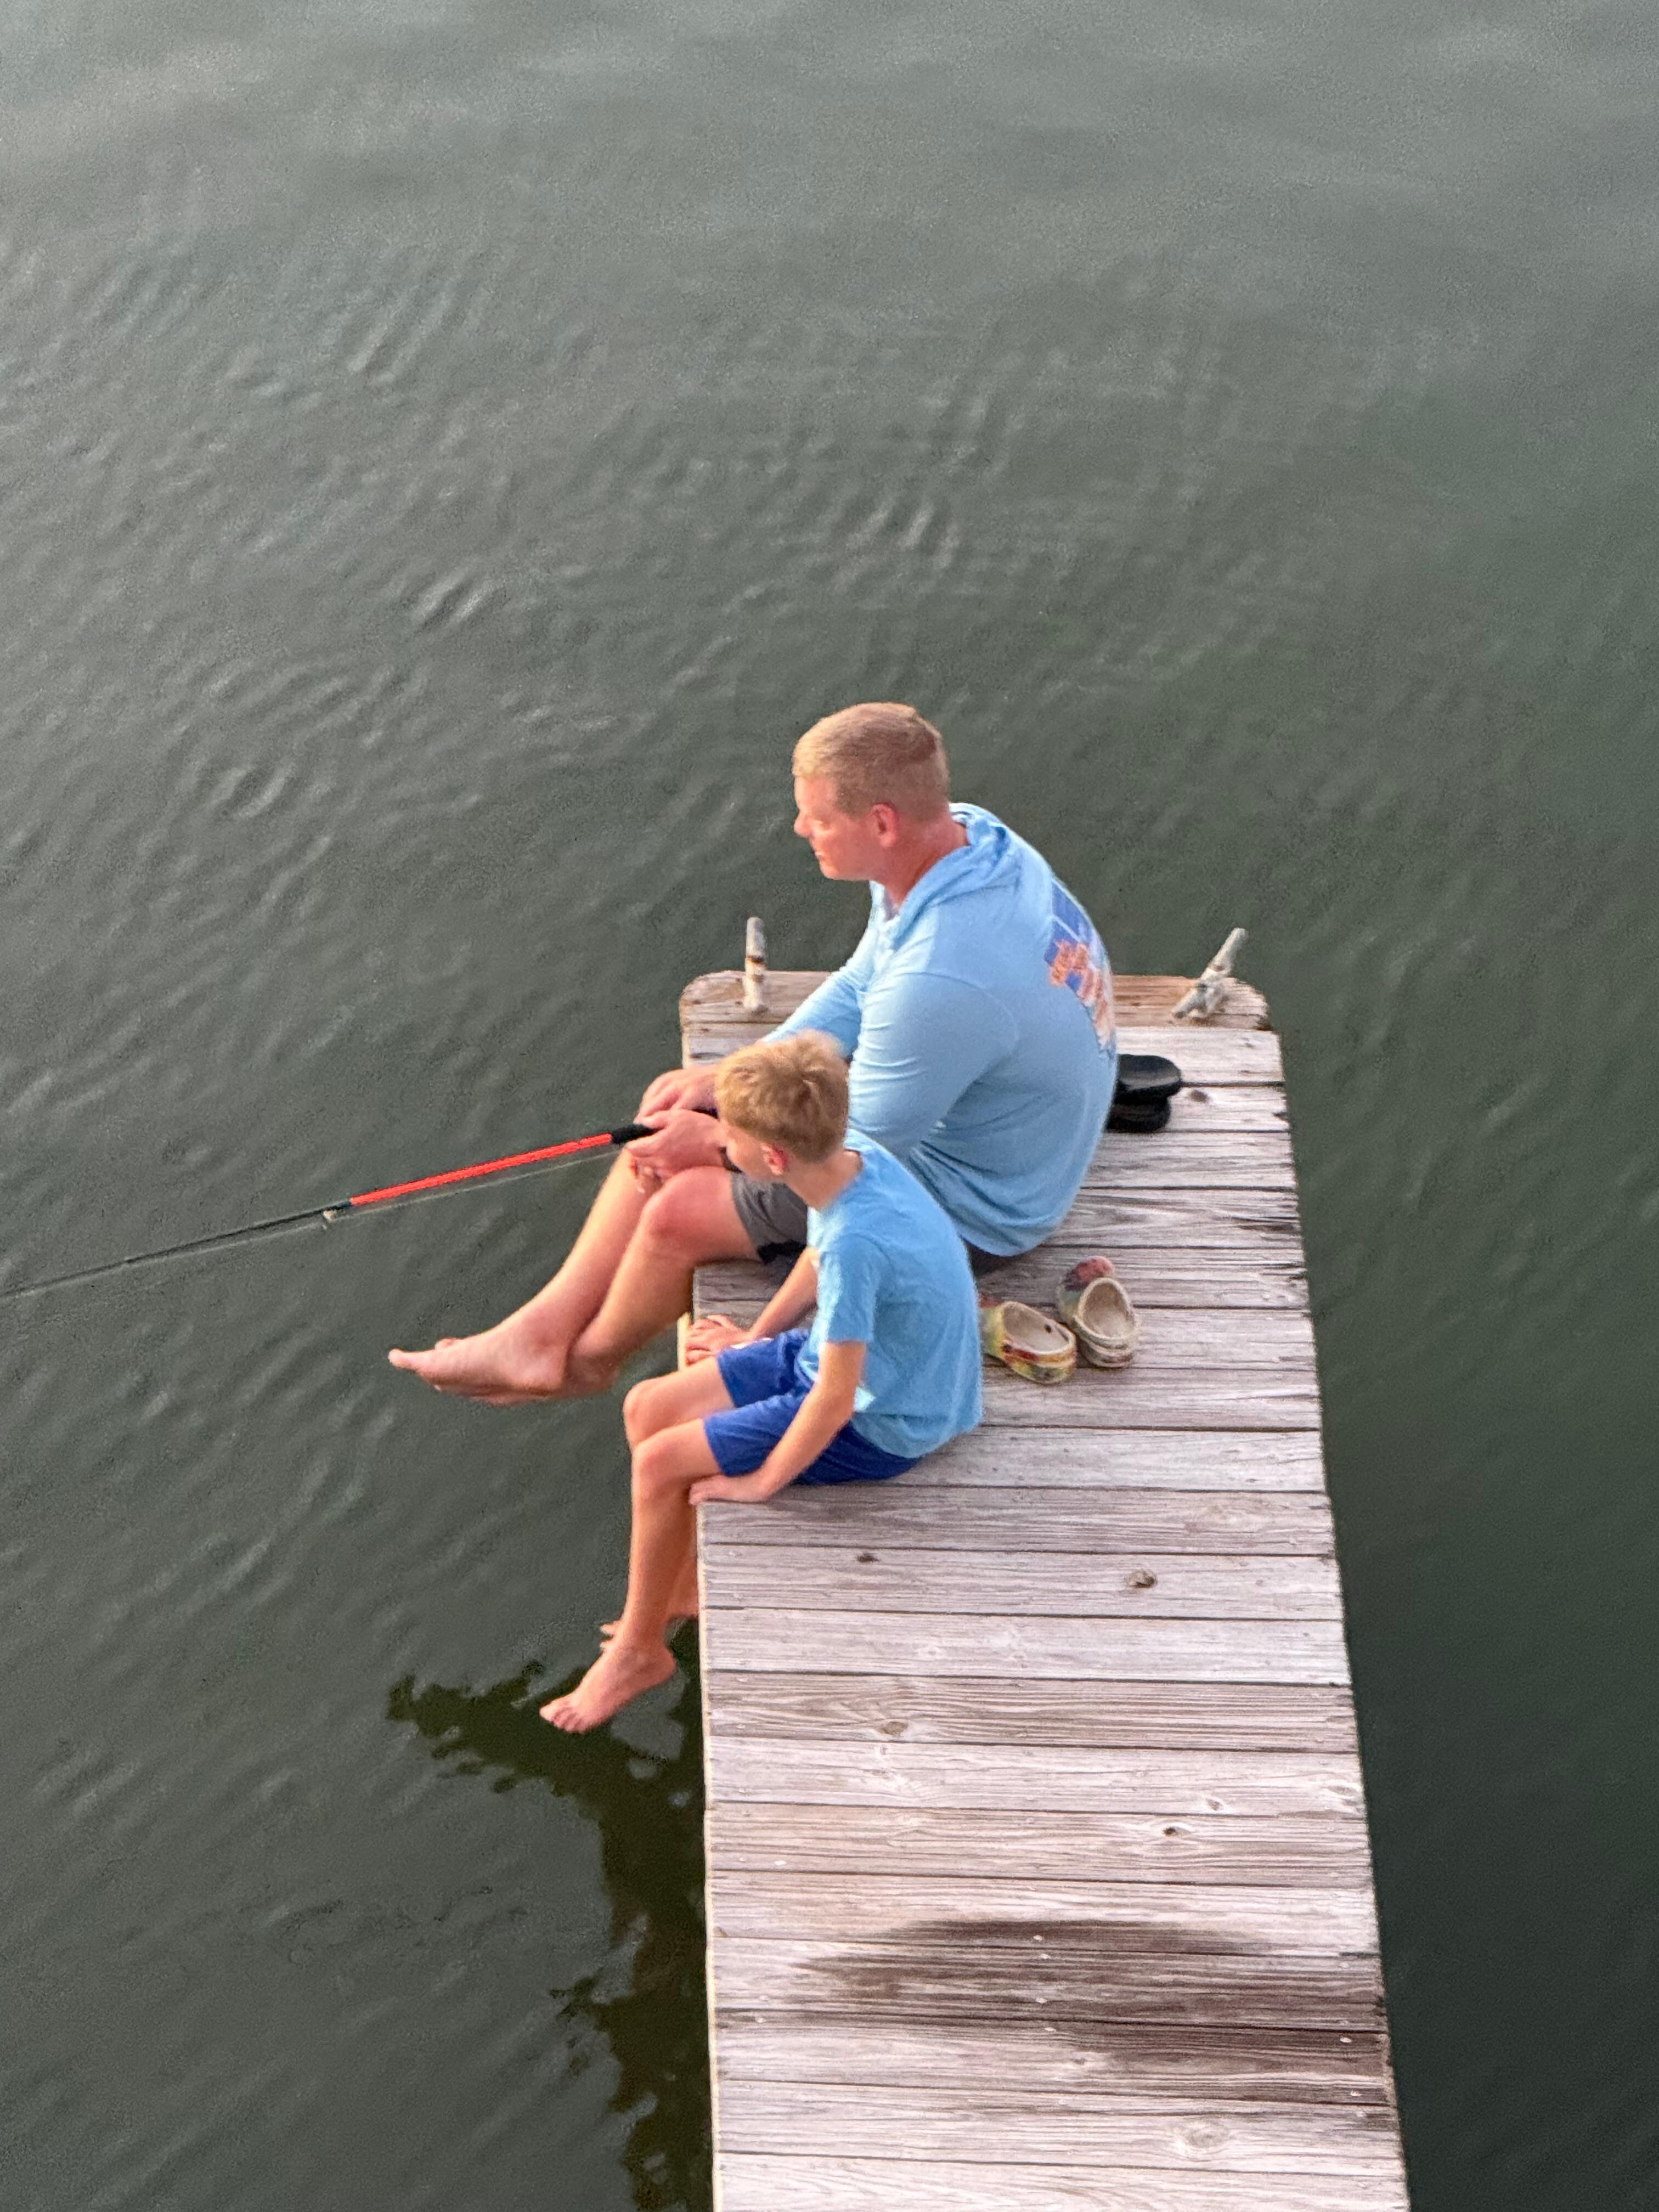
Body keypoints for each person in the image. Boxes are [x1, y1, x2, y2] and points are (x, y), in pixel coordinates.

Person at [388, 701, 1116, 1402]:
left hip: (986, 1207)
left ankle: (585, 1364)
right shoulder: (967, 842)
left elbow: (857, 1150)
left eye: (819, 817)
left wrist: (718, 1138)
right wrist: (732, 1079)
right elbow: (865, 982)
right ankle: (540, 1331)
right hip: (1019, 1139)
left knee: (681, 1208)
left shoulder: (943, 976)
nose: (801, 828)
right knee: (670, 1106)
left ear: (883, 822)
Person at [541, 1031, 982, 1733]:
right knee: (648, 1406)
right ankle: (677, 1586)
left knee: (660, 1463)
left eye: (732, 1142)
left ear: (771, 1159)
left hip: (887, 1421)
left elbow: (835, 1398)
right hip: (852, 1362)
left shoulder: (857, 1247)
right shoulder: (850, 1155)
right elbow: (817, 1249)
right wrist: (755, 1339)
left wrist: (763, 1482)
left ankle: (638, 1650)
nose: (725, 1151)